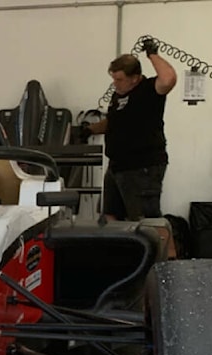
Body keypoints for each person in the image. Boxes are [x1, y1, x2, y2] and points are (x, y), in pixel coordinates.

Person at [83, 38, 177, 223]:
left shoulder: (149, 90)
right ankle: (117, 252)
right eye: (113, 79)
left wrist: (152, 54)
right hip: (117, 166)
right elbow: (114, 122)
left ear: (134, 77)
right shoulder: (119, 96)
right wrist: (88, 130)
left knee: (147, 221)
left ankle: (170, 253)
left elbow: (169, 79)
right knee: (110, 216)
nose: (115, 84)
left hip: (142, 167)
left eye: (119, 79)